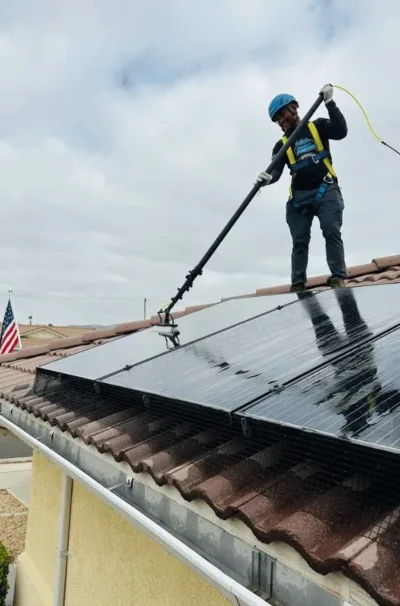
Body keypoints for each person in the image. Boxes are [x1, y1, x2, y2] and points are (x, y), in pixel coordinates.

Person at [257, 84, 348, 292]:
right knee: (299, 242)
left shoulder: (317, 126)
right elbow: (277, 171)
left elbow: (341, 131)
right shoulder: (281, 145)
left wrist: (330, 103)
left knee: (331, 230)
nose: (281, 121)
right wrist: (267, 178)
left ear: (295, 108)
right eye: (277, 119)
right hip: (299, 200)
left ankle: (338, 278)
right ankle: (298, 285)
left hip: (326, 190)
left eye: (282, 115)